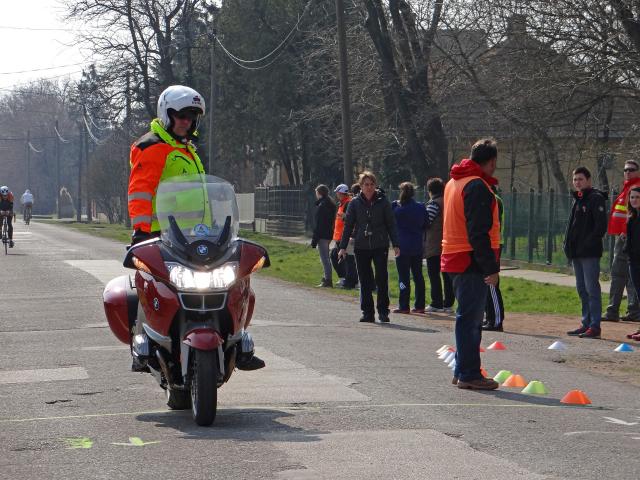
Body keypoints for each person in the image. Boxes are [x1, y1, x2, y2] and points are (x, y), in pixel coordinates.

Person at [127, 84, 264, 371]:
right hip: (161, 235)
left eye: (192, 117)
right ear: (167, 114)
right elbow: (140, 190)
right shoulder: (153, 147)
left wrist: (219, 227)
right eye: (181, 116)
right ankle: (146, 346)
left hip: (198, 237)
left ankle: (238, 342)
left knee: (234, 283)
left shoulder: (186, 149)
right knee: (153, 290)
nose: (186, 122)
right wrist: (141, 230)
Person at [441, 139, 501, 390]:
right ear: (491, 162)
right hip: (469, 259)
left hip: (454, 257)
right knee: (470, 320)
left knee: (466, 317)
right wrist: (491, 267)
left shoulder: (454, 182)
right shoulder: (477, 186)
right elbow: (478, 232)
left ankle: (462, 370)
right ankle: (469, 373)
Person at [338, 171, 400, 323]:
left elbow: (391, 224)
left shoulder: (383, 201)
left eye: (372, 184)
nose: (369, 187)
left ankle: (383, 312)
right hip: (361, 245)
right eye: (366, 184)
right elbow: (348, 226)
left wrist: (396, 244)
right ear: (361, 186)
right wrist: (343, 246)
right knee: (365, 280)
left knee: (381, 278)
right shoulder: (354, 203)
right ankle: (367, 313)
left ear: (375, 185)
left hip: (380, 245)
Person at [564, 166, 608, 339]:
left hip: (589, 253)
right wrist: (567, 244)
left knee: (591, 289)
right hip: (577, 253)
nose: (577, 182)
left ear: (589, 180)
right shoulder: (578, 199)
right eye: (575, 179)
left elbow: (600, 227)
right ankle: (586, 322)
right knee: (581, 289)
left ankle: (595, 326)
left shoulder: (595, 198)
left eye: (581, 179)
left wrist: (586, 244)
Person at [603, 160, 640, 322]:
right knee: (620, 273)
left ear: (638, 171)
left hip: (629, 236)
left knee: (627, 274)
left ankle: (631, 311)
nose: (628, 172)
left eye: (631, 170)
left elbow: (633, 214)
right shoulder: (627, 187)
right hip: (622, 235)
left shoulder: (636, 187)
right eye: (625, 170)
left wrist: (627, 233)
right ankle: (617, 310)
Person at [392, 182, 426, 313]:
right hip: (417, 245)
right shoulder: (421, 207)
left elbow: (390, 218)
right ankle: (420, 305)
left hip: (402, 246)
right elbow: (426, 223)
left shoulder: (397, 208)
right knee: (418, 276)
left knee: (403, 276)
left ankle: (404, 305)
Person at [423, 178, 454, 313]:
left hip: (434, 245)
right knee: (447, 276)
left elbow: (426, 222)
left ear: (430, 191)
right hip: (447, 244)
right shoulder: (448, 201)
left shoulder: (434, 204)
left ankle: (436, 302)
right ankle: (448, 303)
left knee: (434, 275)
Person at [483, 184, 505, 331]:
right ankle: (489, 317)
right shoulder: (488, 198)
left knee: (492, 282)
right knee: (485, 282)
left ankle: (496, 320)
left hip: (493, 244)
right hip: (487, 244)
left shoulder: (494, 200)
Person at [330, 184, 358, 289]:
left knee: (348, 259)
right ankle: (344, 278)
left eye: (338, 192)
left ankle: (351, 282)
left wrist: (344, 217)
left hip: (344, 236)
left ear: (342, 193)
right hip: (339, 236)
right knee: (334, 255)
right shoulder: (342, 203)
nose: (336, 194)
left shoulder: (348, 203)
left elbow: (351, 220)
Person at [311, 184, 337, 288]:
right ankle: (327, 278)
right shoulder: (330, 204)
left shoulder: (322, 206)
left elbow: (319, 224)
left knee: (324, 258)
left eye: (316, 192)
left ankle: (328, 279)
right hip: (329, 234)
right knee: (326, 257)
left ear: (319, 193)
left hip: (322, 235)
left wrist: (314, 240)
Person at [624, 186, 640, 341]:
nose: (634, 200)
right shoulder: (632, 217)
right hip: (633, 261)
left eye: (637, 197)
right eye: (632, 197)